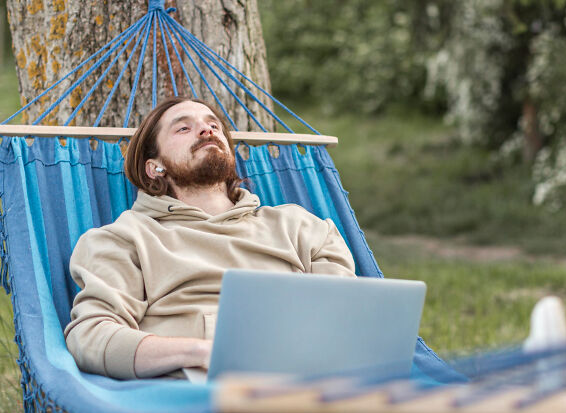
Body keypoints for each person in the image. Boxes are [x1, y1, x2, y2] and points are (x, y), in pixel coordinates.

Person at [64, 97, 355, 380]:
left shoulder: (301, 226)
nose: (207, 130)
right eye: (183, 128)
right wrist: (198, 352)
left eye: (213, 125)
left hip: (312, 377)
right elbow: (90, 336)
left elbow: (350, 318)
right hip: (202, 390)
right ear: (154, 167)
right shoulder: (125, 238)